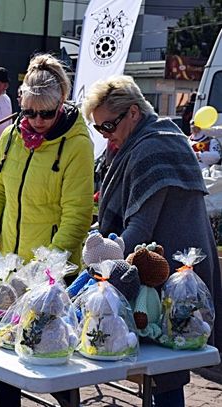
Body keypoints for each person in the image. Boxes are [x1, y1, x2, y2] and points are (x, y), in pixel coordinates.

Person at [83, 75, 222, 407]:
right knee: (162, 367)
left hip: (170, 271)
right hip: (167, 263)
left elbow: (140, 227)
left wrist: (101, 261)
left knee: (167, 369)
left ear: (132, 112)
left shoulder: (152, 146)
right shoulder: (157, 135)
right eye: (100, 128)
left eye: (108, 126)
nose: (106, 135)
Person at [0, 53, 94, 407]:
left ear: (61, 103)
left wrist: (50, 269)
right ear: (21, 103)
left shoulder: (77, 145)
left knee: (51, 358)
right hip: (10, 265)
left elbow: (78, 214)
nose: (38, 120)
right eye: (30, 112)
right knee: (4, 356)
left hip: (51, 275)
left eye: (47, 113)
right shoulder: (11, 136)